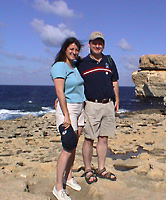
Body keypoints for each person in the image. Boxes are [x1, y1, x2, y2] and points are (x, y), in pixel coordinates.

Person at [78, 31, 119, 184]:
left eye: (100, 43)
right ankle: (88, 169)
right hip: (91, 105)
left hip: (108, 104)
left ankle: (101, 168)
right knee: (89, 139)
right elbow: (72, 81)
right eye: (94, 43)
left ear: (103, 45)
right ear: (89, 44)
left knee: (103, 138)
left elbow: (114, 81)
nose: (97, 45)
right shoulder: (82, 63)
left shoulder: (109, 60)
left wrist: (117, 99)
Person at [50, 37, 85, 200]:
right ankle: (58, 186)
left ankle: (68, 177)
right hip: (68, 109)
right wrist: (66, 115)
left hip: (79, 108)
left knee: (74, 146)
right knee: (67, 146)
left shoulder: (75, 65)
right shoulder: (59, 66)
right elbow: (59, 92)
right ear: (65, 49)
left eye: (77, 50)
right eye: (71, 49)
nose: (74, 52)